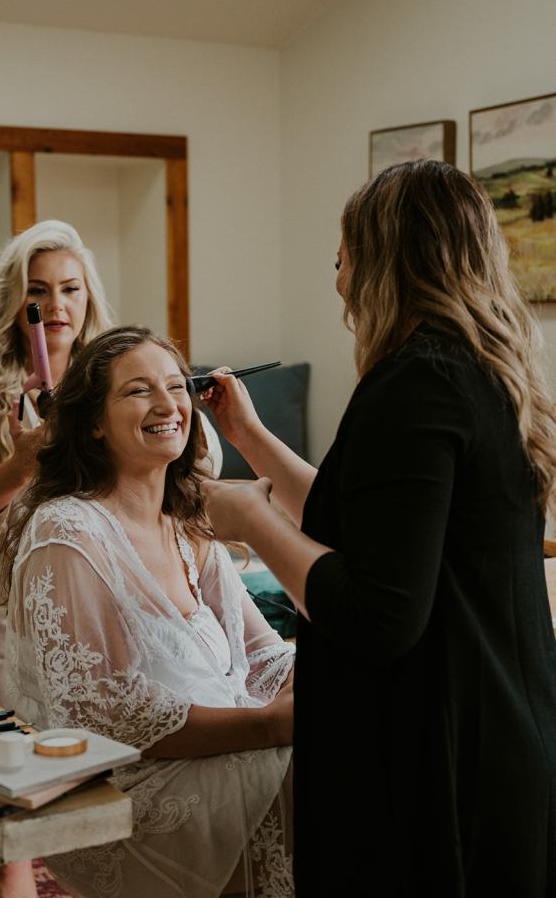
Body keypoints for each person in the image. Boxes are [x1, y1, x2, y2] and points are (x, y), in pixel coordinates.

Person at [201, 160, 556, 898]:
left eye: (345, 256)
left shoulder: (417, 383)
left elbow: (378, 614)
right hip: (497, 725)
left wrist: (248, 518)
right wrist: (253, 436)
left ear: (388, 258)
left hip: (434, 758)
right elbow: (363, 519)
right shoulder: (478, 372)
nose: (339, 281)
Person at [1, 326, 295, 898]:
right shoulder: (69, 531)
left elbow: (265, 658)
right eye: (138, 392)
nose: (167, 406)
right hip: (135, 788)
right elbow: (103, 713)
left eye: (176, 386)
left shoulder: (187, 520)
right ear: (92, 422)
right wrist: (268, 724)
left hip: (227, 747)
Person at [0, 220, 223, 709]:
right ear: (14, 299)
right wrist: (18, 468)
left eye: (70, 289)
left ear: (88, 299)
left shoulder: (116, 383)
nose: (56, 306)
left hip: (105, 614)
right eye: (38, 290)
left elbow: (200, 467)